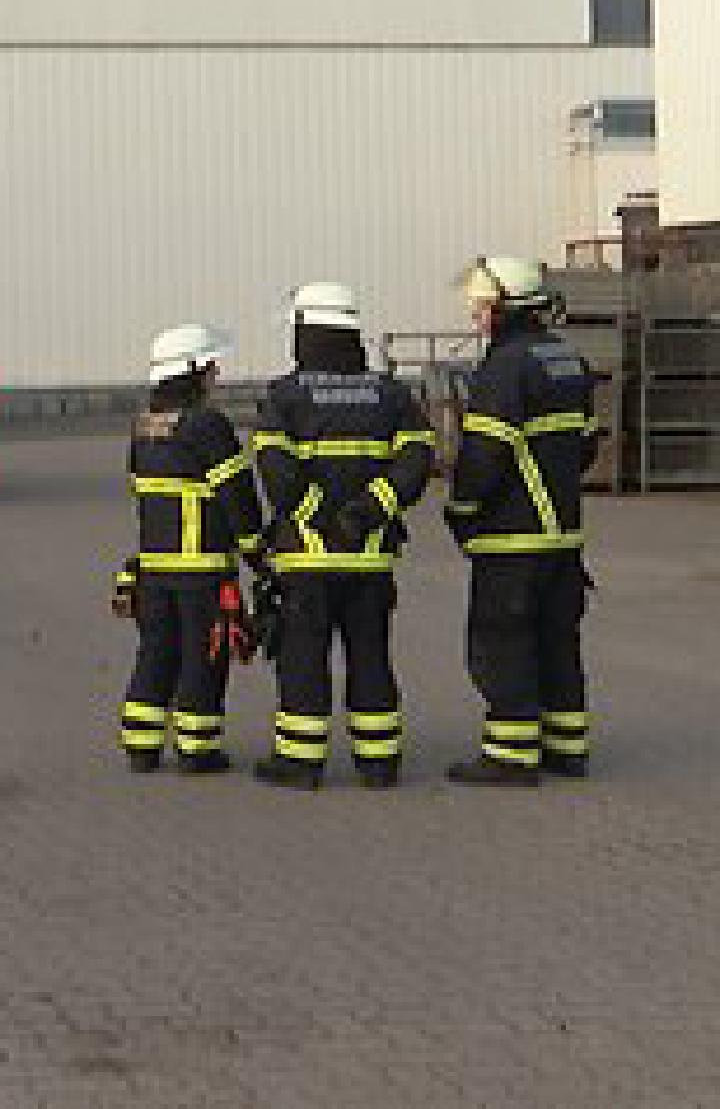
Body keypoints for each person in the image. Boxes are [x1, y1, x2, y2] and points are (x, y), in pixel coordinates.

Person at [248, 283, 435, 790]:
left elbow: (276, 470)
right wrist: (371, 509)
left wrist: (318, 516)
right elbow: (417, 459)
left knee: (303, 659)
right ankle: (379, 762)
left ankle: (301, 761)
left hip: (307, 562)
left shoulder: (285, 395)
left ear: (306, 331)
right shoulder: (390, 393)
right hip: (371, 559)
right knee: (371, 656)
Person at [443, 256, 598, 787]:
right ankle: (565, 746)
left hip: (511, 537)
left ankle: (510, 754)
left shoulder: (505, 366)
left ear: (507, 306)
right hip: (563, 536)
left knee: (501, 641)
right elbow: (585, 449)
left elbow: (483, 454)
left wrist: (462, 511)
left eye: (483, 306)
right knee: (557, 641)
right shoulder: (568, 359)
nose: (477, 317)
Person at [118, 324, 266, 774]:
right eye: (211, 366)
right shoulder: (208, 426)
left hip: (154, 568)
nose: (215, 375)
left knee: (156, 651)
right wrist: (256, 550)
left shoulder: (144, 425)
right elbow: (237, 495)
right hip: (202, 570)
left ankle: (141, 746)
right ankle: (197, 749)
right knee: (204, 654)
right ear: (193, 371)